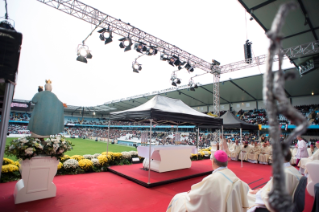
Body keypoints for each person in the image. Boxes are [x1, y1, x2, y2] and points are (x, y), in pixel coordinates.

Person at [167, 150, 249, 212]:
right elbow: (245, 187)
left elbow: (197, 196)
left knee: (177, 199)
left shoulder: (212, 179)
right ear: (226, 162)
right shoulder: (234, 176)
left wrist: (191, 192)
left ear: (213, 161)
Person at [247, 146, 302, 212]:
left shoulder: (284, 174)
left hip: (270, 204)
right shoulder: (292, 170)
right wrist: (262, 190)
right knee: (247, 191)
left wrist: (260, 192)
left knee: (245, 198)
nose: (271, 157)